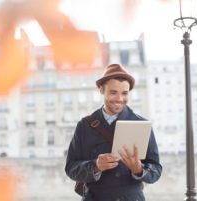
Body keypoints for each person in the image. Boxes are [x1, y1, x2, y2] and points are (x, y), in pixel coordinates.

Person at [65, 63, 162, 201]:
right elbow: (71, 168)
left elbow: (156, 170)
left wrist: (139, 169)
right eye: (113, 92)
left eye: (124, 93)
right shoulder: (84, 125)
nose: (119, 99)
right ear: (101, 90)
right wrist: (96, 166)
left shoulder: (142, 124)